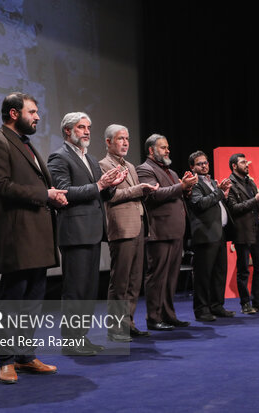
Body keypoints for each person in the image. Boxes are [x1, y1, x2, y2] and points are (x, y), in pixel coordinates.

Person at [0, 92, 65, 384]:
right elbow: (2, 186)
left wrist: (53, 198)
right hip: (16, 237)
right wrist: (45, 195)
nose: (37, 117)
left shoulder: (26, 145)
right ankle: (4, 361)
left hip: (38, 236)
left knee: (33, 303)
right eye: (32, 112)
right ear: (14, 113)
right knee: (12, 303)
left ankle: (25, 356)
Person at [47, 112, 126, 356]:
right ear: (68, 131)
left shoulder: (90, 159)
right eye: (81, 127)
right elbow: (63, 192)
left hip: (92, 232)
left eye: (88, 127)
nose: (87, 131)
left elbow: (98, 193)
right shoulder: (59, 157)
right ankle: (70, 343)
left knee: (89, 290)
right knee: (76, 290)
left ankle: (81, 337)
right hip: (74, 232)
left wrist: (110, 186)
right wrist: (99, 185)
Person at [99, 124, 158, 341]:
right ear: (108, 142)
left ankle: (129, 322)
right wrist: (139, 189)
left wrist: (147, 191)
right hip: (122, 229)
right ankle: (115, 329)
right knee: (120, 281)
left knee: (134, 280)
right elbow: (112, 196)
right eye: (120, 138)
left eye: (127, 138)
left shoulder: (131, 166)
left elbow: (134, 194)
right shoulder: (103, 165)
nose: (125, 142)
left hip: (139, 225)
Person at [137, 134, 197, 330]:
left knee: (171, 277)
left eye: (168, 147)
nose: (168, 150)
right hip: (160, 230)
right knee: (157, 276)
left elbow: (175, 193)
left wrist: (186, 189)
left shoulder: (170, 171)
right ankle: (153, 318)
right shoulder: (145, 169)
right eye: (163, 147)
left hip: (175, 231)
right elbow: (153, 195)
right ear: (152, 150)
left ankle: (169, 315)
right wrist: (182, 186)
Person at [186, 150, 235, 321]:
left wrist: (224, 194)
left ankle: (217, 305)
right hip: (205, 234)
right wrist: (219, 192)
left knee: (219, 272)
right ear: (192, 167)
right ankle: (202, 310)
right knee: (203, 275)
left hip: (219, 233)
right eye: (199, 164)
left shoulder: (212, 182)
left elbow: (217, 203)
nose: (204, 166)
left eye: (206, 163)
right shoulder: (194, 184)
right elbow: (200, 204)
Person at [226, 153, 259, 314]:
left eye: (246, 162)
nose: (247, 164)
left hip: (257, 230)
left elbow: (256, 205)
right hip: (242, 232)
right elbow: (234, 209)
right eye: (243, 162)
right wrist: (255, 199)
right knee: (244, 269)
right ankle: (245, 303)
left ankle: (258, 300)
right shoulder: (230, 184)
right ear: (234, 166)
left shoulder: (250, 182)